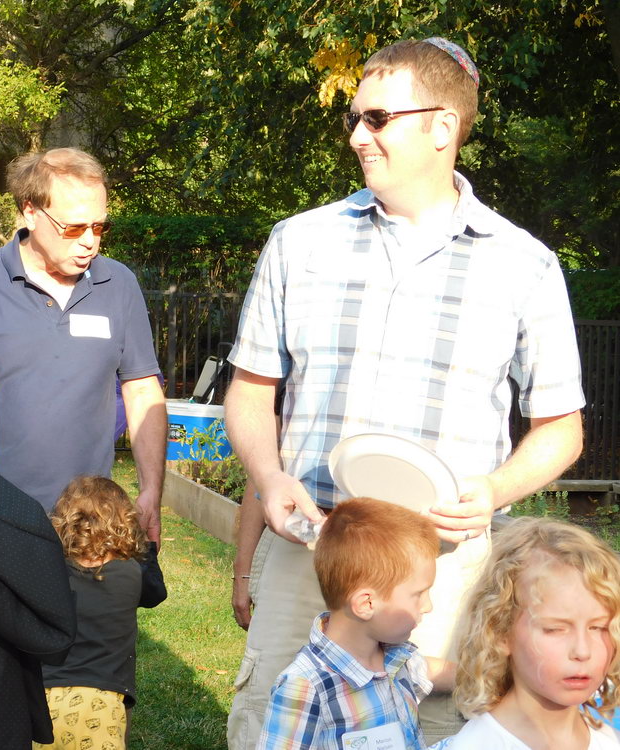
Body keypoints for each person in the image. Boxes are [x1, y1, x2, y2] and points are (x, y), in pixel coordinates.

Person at [225, 37, 585, 748]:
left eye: (378, 118)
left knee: (442, 734)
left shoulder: (525, 265)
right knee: (275, 726)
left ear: (443, 127)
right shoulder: (299, 242)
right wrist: (268, 479)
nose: (357, 136)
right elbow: (249, 391)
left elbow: (561, 427)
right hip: (315, 550)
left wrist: (495, 488)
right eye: (354, 118)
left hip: (444, 573)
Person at [0, 148, 166, 542]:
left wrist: (151, 491)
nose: (90, 242)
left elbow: (143, 389)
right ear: (30, 212)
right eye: (74, 228)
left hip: (89, 528)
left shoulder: (118, 284)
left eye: (99, 227)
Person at [257, 498, 451, 750]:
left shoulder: (396, 659)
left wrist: (491, 676)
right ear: (366, 604)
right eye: (418, 595)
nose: (427, 606)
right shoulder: (305, 688)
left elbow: (428, 669)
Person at [431, 517, 620, 749]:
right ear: (500, 632)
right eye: (555, 629)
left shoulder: (607, 737)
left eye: (600, 627)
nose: (582, 651)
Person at [36, 476, 167, 750]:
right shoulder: (134, 571)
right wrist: (148, 546)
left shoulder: (49, 571)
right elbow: (156, 594)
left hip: (45, 701)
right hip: (103, 703)